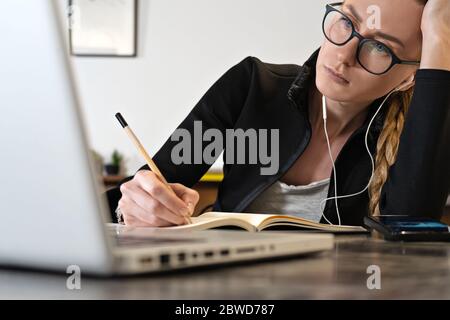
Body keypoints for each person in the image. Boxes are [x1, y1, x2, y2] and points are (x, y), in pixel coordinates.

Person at [106, 0, 450, 227]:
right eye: (347, 20)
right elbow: (146, 186)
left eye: (378, 47)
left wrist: (440, 37)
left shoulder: (413, 134)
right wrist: (135, 205)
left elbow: (411, 235)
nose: (342, 54)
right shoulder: (252, 88)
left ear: (409, 77)